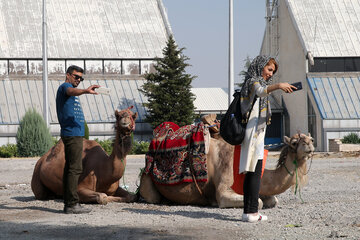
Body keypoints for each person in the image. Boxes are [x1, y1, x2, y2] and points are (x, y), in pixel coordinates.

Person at [239, 55, 296, 222]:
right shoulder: (253, 81)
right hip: (252, 135)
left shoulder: (258, 82)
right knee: (254, 173)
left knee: (253, 172)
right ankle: (251, 212)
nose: (271, 74)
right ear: (260, 66)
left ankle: (248, 212)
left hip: (256, 133)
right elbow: (260, 91)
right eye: (269, 69)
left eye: (273, 71)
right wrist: (279, 86)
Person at [56, 65, 100, 214]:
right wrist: (86, 91)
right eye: (76, 77)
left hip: (74, 134)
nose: (79, 80)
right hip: (72, 134)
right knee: (75, 168)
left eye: (81, 78)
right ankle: (72, 204)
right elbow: (70, 91)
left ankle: (69, 202)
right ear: (68, 75)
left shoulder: (71, 90)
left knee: (71, 168)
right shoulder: (65, 87)